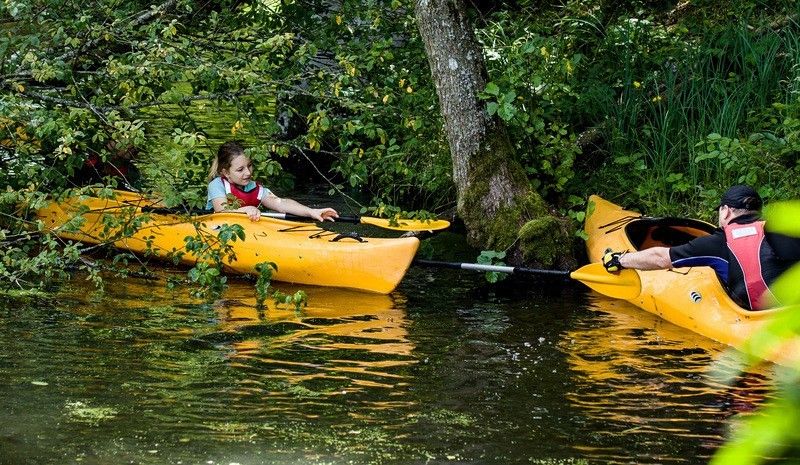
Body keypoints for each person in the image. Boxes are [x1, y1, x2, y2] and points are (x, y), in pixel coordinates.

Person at [602, 185, 800, 310]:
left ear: (726, 211)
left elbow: (660, 257)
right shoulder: (781, 230)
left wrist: (620, 260)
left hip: (765, 319)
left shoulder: (718, 242)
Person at [206, 141, 339, 223]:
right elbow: (221, 211)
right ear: (226, 173)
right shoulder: (216, 185)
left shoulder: (255, 188)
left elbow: (281, 203)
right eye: (240, 170)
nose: (248, 173)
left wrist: (311, 212)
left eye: (250, 166)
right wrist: (246, 209)